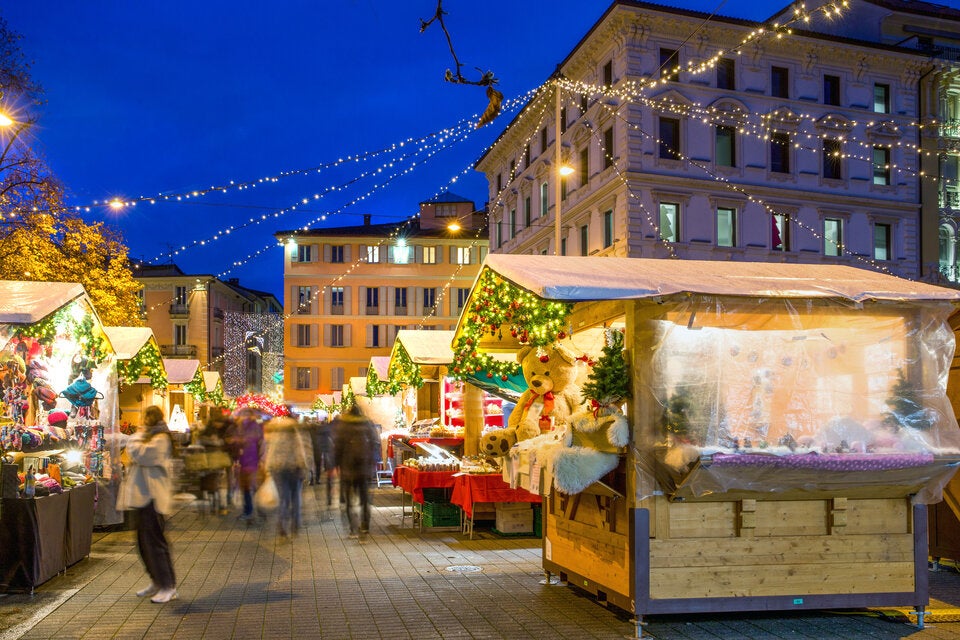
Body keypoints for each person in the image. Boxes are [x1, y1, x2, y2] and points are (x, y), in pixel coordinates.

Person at [116, 405, 178, 604]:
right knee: (143, 544)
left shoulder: (161, 438)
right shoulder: (149, 437)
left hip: (153, 498)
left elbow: (141, 454)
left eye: (146, 417)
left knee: (155, 543)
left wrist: (136, 436)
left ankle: (168, 586)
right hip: (141, 498)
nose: (143, 420)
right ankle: (156, 581)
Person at [332, 403, 379, 540]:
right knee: (365, 499)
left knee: (349, 501)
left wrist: (336, 464)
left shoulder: (343, 425)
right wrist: (373, 462)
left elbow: (337, 446)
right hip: (364, 469)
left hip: (348, 468)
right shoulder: (367, 423)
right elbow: (375, 443)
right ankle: (365, 526)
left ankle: (353, 529)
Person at [263, 409, 308, 538]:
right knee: (296, 498)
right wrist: (304, 467)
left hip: (278, 469)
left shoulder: (276, 434)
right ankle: (295, 526)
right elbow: (300, 451)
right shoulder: (295, 432)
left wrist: (268, 468)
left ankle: (282, 526)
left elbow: (271, 452)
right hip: (294, 469)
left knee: (283, 498)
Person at [227, 407, 265, 523]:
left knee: (249, 487)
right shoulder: (240, 427)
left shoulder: (255, 427)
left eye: (247, 414)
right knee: (246, 488)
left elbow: (261, 443)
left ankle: (251, 511)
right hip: (243, 461)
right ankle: (250, 511)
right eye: (243, 414)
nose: (245, 416)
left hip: (252, 461)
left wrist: (261, 460)